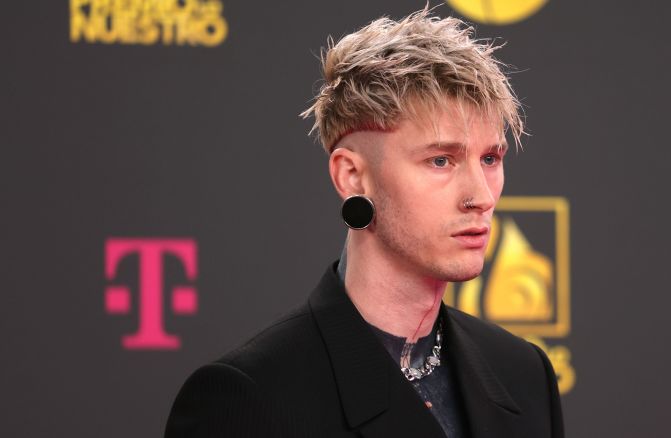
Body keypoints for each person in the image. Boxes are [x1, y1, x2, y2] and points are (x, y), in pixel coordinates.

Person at [165, 7, 564, 438]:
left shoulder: (524, 374)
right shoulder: (250, 398)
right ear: (352, 176)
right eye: (440, 160)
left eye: (490, 158)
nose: (481, 197)